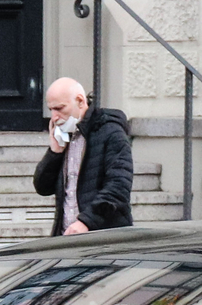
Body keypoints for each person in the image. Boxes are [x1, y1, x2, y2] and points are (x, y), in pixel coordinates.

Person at [31, 77, 133, 236]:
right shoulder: (66, 134)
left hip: (105, 237)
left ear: (80, 101)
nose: (54, 117)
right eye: (51, 110)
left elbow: (119, 186)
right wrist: (54, 153)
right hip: (67, 236)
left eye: (59, 108)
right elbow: (42, 187)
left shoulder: (110, 131)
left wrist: (86, 221)